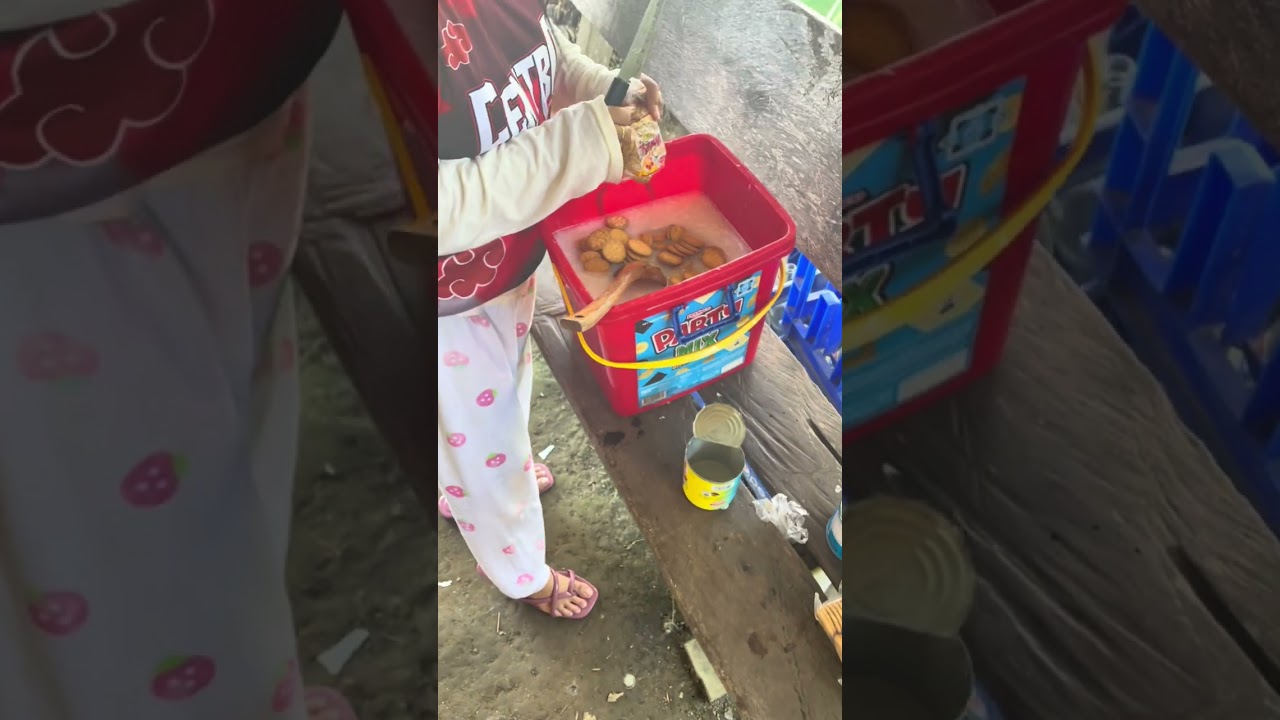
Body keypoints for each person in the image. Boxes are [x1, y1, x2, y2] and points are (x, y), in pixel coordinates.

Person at [0, 0, 363, 717]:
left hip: (206, 75)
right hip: (71, 123)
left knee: (211, 455)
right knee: (113, 539)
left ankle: (238, 680)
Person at [436, 0, 663, 620]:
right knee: (482, 433)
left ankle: (466, 477)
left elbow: (542, 50)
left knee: (495, 396)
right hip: (444, 300)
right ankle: (521, 573)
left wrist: (607, 89)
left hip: (507, 257)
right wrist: (586, 136)